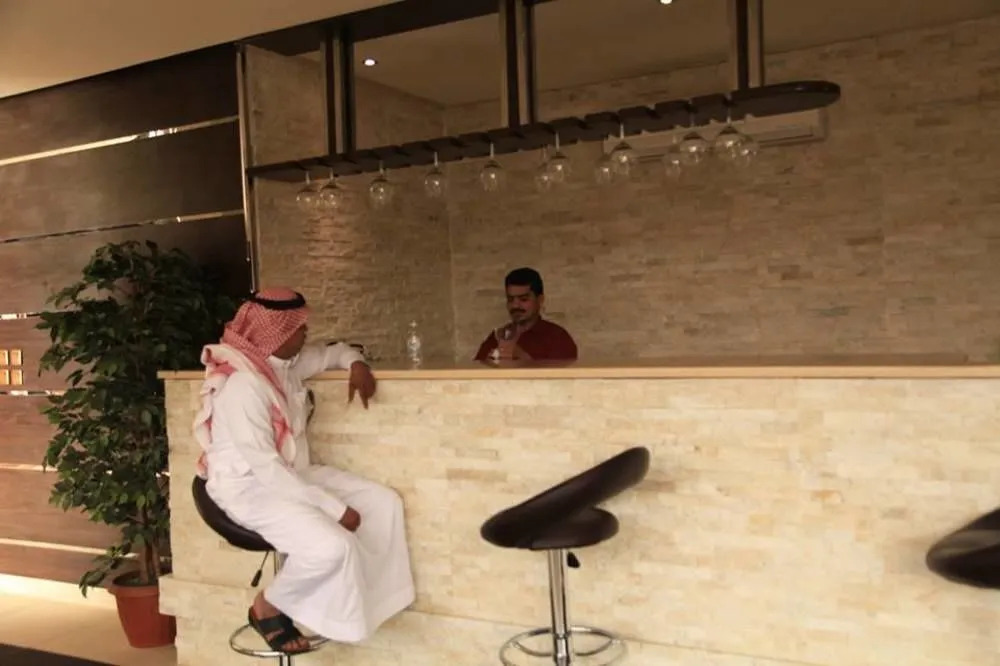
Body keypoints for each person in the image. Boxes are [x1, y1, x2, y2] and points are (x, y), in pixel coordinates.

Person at [192, 287, 414, 653]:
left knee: (383, 503)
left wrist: (356, 364)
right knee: (332, 547)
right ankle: (268, 606)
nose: (305, 331)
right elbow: (267, 470)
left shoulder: (282, 365)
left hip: (293, 475)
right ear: (275, 333)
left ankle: (365, 608)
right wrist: (335, 509)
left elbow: (334, 352)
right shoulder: (244, 386)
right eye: (298, 327)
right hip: (250, 487)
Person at [474, 267, 578, 362]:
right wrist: (489, 363)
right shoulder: (497, 336)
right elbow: (474, 372)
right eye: (510, 299)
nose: (515, 305)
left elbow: (567, 375)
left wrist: (525, 360)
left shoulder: (557, 338)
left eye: (523, 299)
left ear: (540, 300)